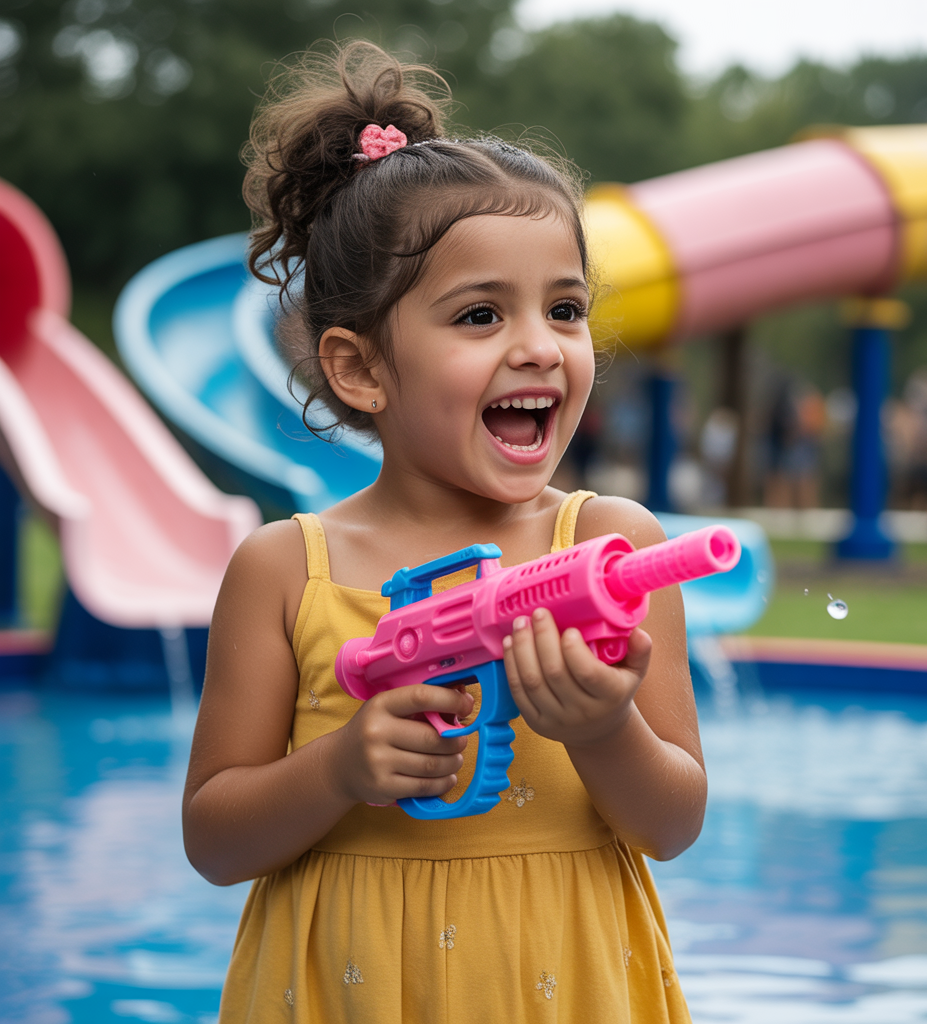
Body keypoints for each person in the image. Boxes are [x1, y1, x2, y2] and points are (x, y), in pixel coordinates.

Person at [182, 40, 706, 1024]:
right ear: (361, 369)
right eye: (478, 315)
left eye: (564, 308)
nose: (538, 347)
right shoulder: (285, 569)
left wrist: (603, 728)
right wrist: (338, 768)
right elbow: (213, 840)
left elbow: (673, 822)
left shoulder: (611, 547)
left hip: (563, 986)